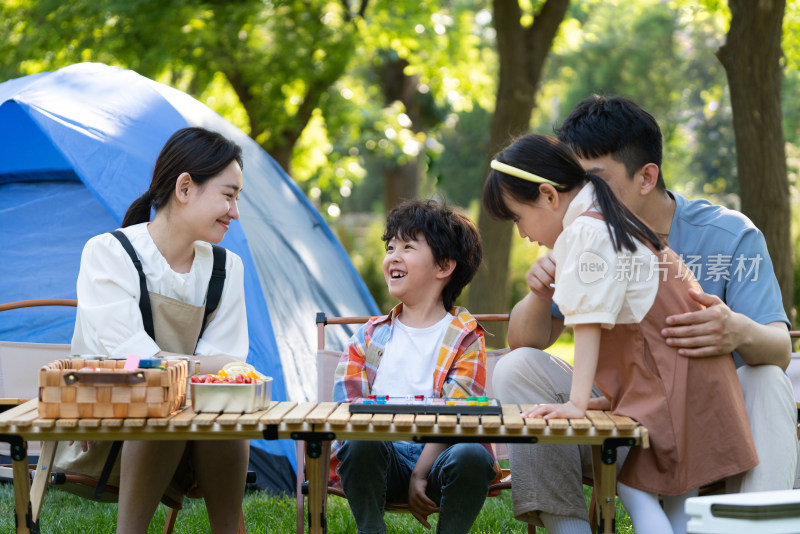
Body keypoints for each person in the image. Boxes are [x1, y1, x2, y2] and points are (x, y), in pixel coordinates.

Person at [493, 96, 796, 534]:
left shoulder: (728, 236)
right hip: (620, 398)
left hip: (708, 411)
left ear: (646, 177)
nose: (580, 194)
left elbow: (780, 349)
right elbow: (525, 342)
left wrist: (736, 331)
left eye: (594, 180)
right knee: (516, 367)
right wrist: (539, 292)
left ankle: (751, 527)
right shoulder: (585, 235)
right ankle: (566, 524)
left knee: (766, 377)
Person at [68, 127, 251, 533]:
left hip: (197, 430)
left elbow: (229, 369)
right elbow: (132, 362)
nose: (234, 211)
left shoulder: (227, 268)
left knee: (220, 407)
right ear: (185, 187)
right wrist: (204, 366)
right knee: (162, 401)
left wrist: (197, 369)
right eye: (228, 194)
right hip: (104, 429)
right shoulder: (108, 252)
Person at [330, 199, 499, 534]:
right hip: (380, 461)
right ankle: (371, 529)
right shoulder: (368, 337)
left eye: (408, 247)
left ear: (444, 266)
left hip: (440, 463)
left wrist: (421, 471)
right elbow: (348, 411)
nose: (393, 255)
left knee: (472, 455)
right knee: (359, 439)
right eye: (391, 246)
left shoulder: (465, 338)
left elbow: (461, 415)